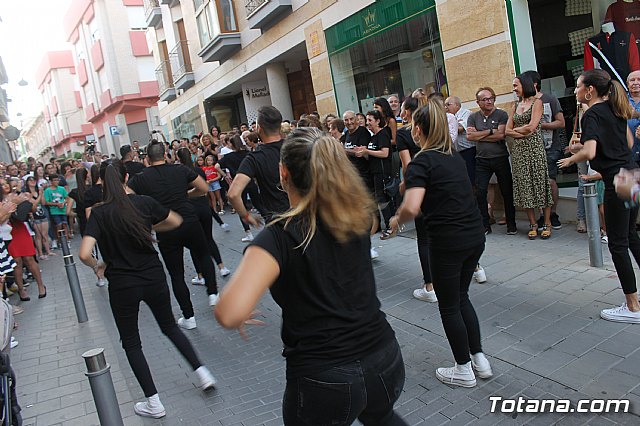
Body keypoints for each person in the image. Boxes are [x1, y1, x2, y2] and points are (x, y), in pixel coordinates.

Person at [215, 128, 407, 425]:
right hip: (384, 356)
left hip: (325, 377)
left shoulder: (278, 237)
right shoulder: (357, 215)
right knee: (382, 417)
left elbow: (229, 313)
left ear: (283, 173)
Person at [79, 160, 217, 419]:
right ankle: (202, 373)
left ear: (99, 182)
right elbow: (174, 220)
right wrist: (151, 228)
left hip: (122, 284)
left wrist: (98, 265)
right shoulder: (143, 203)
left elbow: (84, 252)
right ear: (127, 177)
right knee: (170, 327)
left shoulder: (99, 213)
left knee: (131, 342)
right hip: (153, 276)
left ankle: (154, 402)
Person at [389, 99, 492, 387]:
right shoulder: (453, 158)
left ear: (418, 131)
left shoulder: (421, 162)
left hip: (448, 241)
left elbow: (412, 206)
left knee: (449, 306)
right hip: (474, 237)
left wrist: (397, 219)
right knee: (462, 298)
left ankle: (463, 369)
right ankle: (479, 359)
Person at [559, 69, 640, 323]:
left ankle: (632, 305)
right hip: (631, 174)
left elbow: (592, 151)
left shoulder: (591, 113)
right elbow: (626, 144)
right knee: (630, 235)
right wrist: (582, 148)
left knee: (617, 243)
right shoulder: (616, 108)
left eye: (578, 86)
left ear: (590, 90)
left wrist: (573, 156)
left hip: (617, 178)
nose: (575, 91)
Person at [128, 142, 220, 329]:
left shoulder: (139, 178)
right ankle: (213, 293)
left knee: (176, 273)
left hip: (165, 226)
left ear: (147, 158)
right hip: (190, 220)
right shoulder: (179, 170)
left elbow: (128, 197)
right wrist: (186, 195)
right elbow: (203, 188)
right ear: (165, 155)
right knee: (203, 255)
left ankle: (189, 317)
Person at [397, 97, 436, 303]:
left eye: (403, 110)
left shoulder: (404, 134)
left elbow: (407, 164)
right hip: (442, 182)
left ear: (409, 111)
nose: (402, 114)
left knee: (424, 237)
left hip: (420, 184)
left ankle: (429, 286)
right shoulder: (437, 127)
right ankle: (475, 267)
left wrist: (408, 184)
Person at [505, 73, 553, 239]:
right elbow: (506, 130)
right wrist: (522, 131)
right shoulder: (514, 106)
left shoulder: (537, 102)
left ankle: (547, 222)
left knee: (540, 183)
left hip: (535, 149)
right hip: (519, 151)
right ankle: (532, 223)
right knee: (524, 186)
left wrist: (517, 131)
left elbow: (532, 127)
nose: (514, 89)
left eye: (515, 85)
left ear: (524, 85)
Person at [175, 148, 231, 286]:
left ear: (179, 158)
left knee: (195, 244)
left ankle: (200, 275)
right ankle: (221, 266)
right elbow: (204, 187)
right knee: (209, 238)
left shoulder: (179, 173)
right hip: (204, 207)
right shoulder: (199, 170)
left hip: (190, 210)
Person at [228, 106, 290, 227]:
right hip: (305, 214)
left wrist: (245, 216)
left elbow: (233, 194)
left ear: (259, 128)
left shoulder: (254, 158)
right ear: (279, 126)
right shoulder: (297, 147)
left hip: (277, 220)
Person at [467, 87, 517, 235]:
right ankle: (484, 224)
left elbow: (501, 135)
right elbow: (470, 136)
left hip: (500, 158)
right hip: (482, 160)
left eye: (491, 98)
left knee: (507, 191)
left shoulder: (501, 114)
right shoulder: (473, 117)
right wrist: (489, 131)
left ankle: (511, 224)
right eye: (485, 99)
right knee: (480, 192)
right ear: (478, 102)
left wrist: (479, 135)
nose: (489, 101)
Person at [522, 70, 565, 230]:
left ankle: (553, 213)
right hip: (531, 149)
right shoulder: (522, 103)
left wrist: (538, 125)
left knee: (549, 181)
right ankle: (542, 215)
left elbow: (560, 122)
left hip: (549, 147)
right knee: (536, 183)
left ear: (533, 84)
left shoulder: (550, 99)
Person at [356, 110, 394, 240]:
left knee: (384, 200)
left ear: (378, 121)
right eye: (367, 121)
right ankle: (389, 224)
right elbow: (372, 154)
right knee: (380, 199)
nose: (368, 124)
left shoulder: (383, 134)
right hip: (375, 172)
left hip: (383, 173)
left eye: (370, 120)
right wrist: (363, 152)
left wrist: (367, 151)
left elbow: (384, 153)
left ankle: (391, 226)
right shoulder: (373, 137)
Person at [445, 96, 475, 184]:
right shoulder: (448, 116)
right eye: (445, 105)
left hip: (468, 150)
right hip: (456, 152)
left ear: (457, 105)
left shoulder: (466, 113)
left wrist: (451, 125)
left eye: (448, 104)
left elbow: (460, 128)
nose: (446, 107)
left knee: (471, 178)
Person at [24, 176, 54, 260]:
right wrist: (40, 195)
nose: (32, 181)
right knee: (38, 235)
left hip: (42, 213)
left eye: (34, 180)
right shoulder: (27, 193)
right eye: (30, 180)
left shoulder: (39, 191)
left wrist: (41, 193)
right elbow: (34, 203)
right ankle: (40, 253)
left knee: (45, 234)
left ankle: (48, 251)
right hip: (34, 215)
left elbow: (43, 203)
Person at [43, 175, 69, 244]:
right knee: (58, 225)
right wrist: (56, 204)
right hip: (54, 211)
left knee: (65, 224)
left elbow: (66, 198)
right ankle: (60, 241)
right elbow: (46, 202)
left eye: (57, 180)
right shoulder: (47, 191)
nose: (56, 182)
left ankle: (66, 240)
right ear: (51, 181)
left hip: (63, 210)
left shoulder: (62, 189)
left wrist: (63, 203)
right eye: (55, 180)